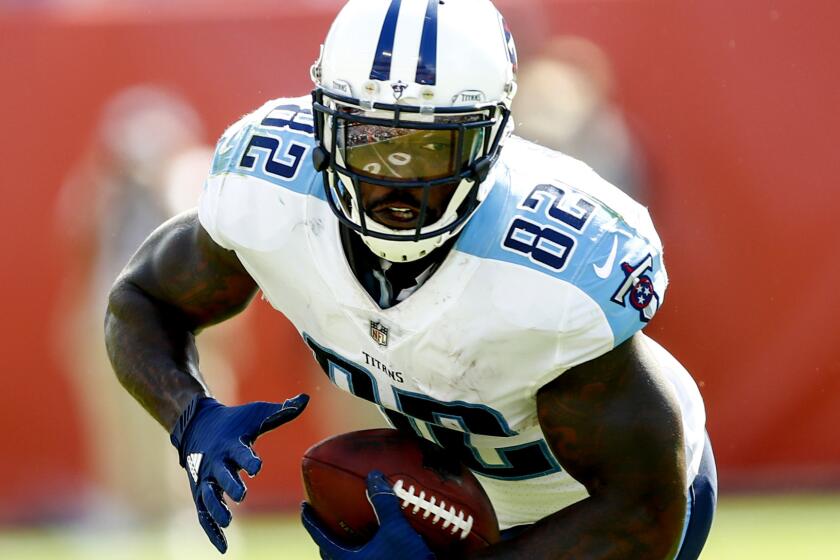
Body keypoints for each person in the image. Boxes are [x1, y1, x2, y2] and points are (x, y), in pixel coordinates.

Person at [104, 0, 716, 558]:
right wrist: (192, 417)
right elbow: (140, 299)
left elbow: (641, 509)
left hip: (588, 514)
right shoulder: (273, 192)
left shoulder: (553, 273)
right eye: (372, 139)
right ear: (324, 126)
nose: (400, 182)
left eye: (432, 149)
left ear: (495, 138)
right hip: (459, 497)